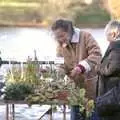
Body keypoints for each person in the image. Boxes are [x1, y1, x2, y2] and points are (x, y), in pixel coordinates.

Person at [51, 19, 102, 120]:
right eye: (57, 37)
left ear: (69, 32)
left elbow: (96, 54)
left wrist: (81, 67)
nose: (60, 39)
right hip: (74, 90)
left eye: (62, 36)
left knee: (92, 115)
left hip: (91, 88)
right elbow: (60, 64)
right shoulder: (60, 45)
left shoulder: (86, 36)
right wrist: (58, 73)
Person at [96, 20, 120, 120]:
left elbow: (111, 68)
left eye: (107, 35)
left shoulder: (116, 47)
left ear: (113, 34)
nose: (106, 39)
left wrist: (98, 68)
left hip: (112, 93)